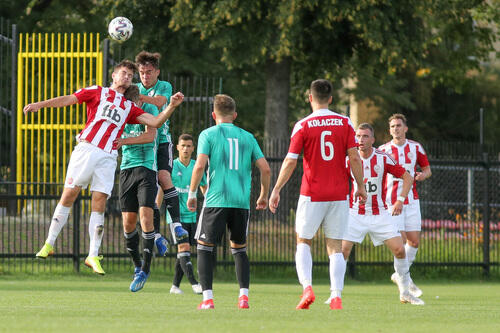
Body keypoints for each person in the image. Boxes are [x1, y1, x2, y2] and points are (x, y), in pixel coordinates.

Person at [24, 60, 185, 275]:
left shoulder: (130, 106)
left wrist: (172, 106)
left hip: (109, 156)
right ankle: (49, 243)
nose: (127, 77)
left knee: (99, 202)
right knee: (70, 194)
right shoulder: (97, 91)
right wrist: (41, 104)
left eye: (130, 75)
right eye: (123, 73)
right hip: (88, 149)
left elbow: (155, 123)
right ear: (114, 76)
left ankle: (93, 255)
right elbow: (69, 99)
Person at [269, 79, 367, 310]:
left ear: (310, 98)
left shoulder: (303, 125)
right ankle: (336, 296)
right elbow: (354, 157)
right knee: (334, 245)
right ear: (331, 99)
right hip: (339, 193)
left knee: (303, 240)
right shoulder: (345, 123)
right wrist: (360, 186)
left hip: (312, 193)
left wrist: (276, 189)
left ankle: (307, 288)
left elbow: (291, 161)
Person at [187, 94, 271, 310]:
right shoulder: (248, 137)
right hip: (241, 201)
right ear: (235, 115)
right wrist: (263, 194)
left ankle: (207, 299)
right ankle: (244, 297)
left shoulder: (208, 134)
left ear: (214, 115)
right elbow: (265, 168)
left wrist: (192, 192)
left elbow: (199, 166)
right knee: (239, 249)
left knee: (205, 248)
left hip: (216, 199)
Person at [340, 123, 424, 305]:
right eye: (358, 136)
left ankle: (404, 293)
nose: (360, 140)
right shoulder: (349, 159)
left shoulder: (383, 158)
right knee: (342, 251)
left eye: (365, 136)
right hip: (355, 213)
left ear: (373, 139)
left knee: (400, 250)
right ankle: (335, 295)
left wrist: (400, 199)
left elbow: (408, 177)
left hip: (380, 213)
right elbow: (337, 180)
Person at [135, 51, 188, 255]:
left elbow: (158, 102)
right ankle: (156, 235)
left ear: (157, 72)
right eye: (141, 72)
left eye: (149, 72)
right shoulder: (135, 88)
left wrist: (135, 96)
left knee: (164, 177)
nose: (145, 76)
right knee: (146, 196)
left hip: (161, 142)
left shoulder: (164, 86)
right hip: (142, 147)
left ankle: (176, 225)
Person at [379, 114, 431, 297]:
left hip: (412, 200)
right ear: (389, 130)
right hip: (391, 202)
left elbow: (427, 170)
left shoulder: (415, 147)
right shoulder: (383, 150)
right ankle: (405, 281)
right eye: (392, 126)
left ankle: (401, 275)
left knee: (414, 241)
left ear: (405, 128)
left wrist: (422, 176)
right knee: (399, 243)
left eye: (399, 125)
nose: (396, 129)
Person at [114, 85, 160, 292]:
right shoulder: (120, 114)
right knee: (128, 224)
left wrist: (124, 141)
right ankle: (137, 266)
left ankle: (146, 270)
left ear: (140, 103)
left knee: (146, 218)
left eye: (133, 104)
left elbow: (150, 136)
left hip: (146, 169)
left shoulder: (150, 112)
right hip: (126, 171)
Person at [168, 134, 207, 295]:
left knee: (184, 251)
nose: (185, 149)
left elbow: (204, 188)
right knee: (183, 247)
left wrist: (209, 207)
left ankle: (175, 286)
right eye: (183, 145)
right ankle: (194, 283)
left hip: (192, 216)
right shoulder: (171, 167)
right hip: (175, 217)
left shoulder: (196, 167)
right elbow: (161, 191)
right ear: (177, 147)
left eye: (189, 146)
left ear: (193, 148)